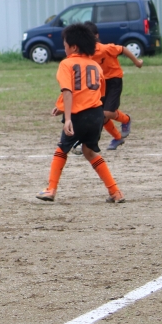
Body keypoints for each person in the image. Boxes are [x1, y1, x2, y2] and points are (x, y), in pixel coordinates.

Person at [37, 23, 125, 204]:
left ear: (74, 47)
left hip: (78, 116)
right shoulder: (95, 66)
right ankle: (115, 192)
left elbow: (68, 91)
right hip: (96, 115)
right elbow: (95, 93)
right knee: (89, 152)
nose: (64, 48)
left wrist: (68, 118)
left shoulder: (66, 63)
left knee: (62, 149)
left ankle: (51, 189)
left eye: (65, 45)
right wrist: (62, 106)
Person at [88, 26, 143, 150]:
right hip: (99, 83)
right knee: (100, 115)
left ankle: (126, 119)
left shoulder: (105, 48)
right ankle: (118, 138)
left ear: (96, 36)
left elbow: (123, 49)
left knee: (107, 113)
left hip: (114, 80)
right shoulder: (85, 53)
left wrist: (137, 62)